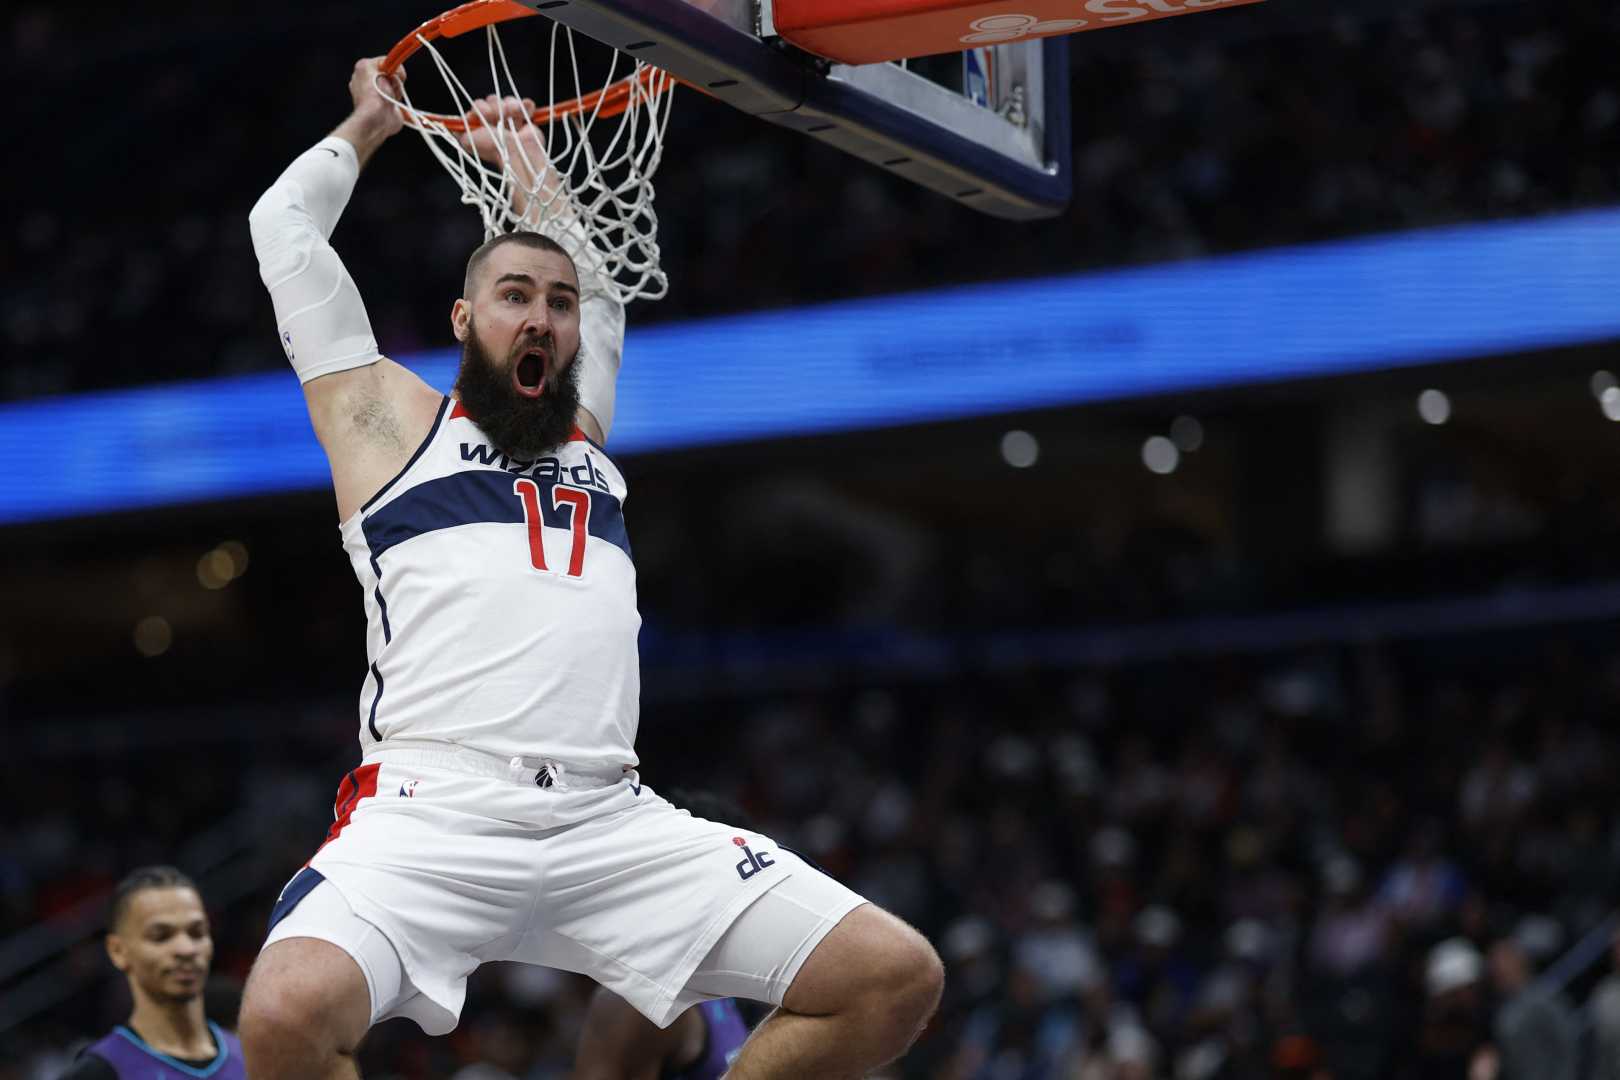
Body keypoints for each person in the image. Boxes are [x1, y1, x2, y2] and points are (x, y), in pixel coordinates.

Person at [238, 56, 943, 1079]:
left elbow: (598, 276)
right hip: (431, 815)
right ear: (462, 319)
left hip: (610, 819)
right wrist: (369, 125)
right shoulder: (387, 423)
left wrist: (525, 159)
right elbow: (283, 233)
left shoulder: (584, 437)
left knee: (894, 976)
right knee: (281, 1020)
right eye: (512, 294)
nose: (541, 314)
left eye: (556, 304)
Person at [59, 866, 244, 1080]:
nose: (186, 949)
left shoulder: (250, 1056)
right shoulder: (98, 1072)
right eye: (161, 936)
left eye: (197, 932)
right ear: (117, 951)